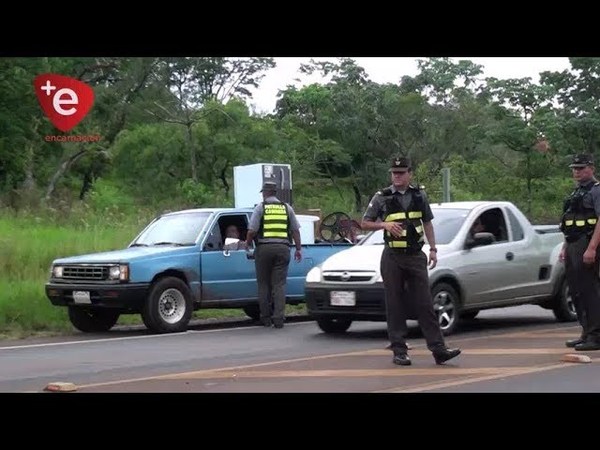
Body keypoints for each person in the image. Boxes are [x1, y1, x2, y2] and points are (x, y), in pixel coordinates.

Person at [360, 156, 461, 366]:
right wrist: (384, 226)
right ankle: (399, 350)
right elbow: (365, 223)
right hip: (393, 257)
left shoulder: (419, 195)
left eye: (401, 173)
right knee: (395, 304)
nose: (397, 176)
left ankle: (439, 349)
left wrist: (433, 249)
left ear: (409, 174)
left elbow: (428, 223)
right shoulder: (382, 197)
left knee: (425, 303)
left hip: (415, 256)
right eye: (394, 173)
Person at [245, 181, 302, 328]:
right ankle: (279, 319)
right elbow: (295, 230)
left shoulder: (261, 207)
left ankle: (266, 319)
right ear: (275, 193)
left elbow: (252, 230)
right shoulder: (286, 208)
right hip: (283, 248)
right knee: (279, 285)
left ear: (264, 193)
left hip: (264, 248)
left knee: (264, 284)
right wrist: (298, 249)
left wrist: (247, 243)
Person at [559, 153, 600, 351]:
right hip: (573, 243)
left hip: (588, 242)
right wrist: (565, 247)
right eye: (575, 168)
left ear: (591, 168)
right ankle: (586, 332)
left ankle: (596, 335)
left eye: (581, 168)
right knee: (576, 291)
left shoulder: (596, 190)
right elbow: (569, 223)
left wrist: (592, 247)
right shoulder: (577, 192)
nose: (577, 171)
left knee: (589, 290)